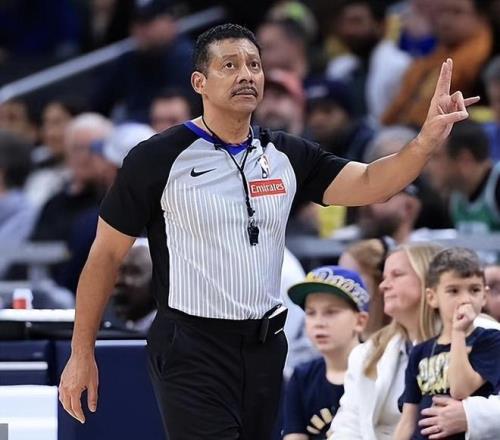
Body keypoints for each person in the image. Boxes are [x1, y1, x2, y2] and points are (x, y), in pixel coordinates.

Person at [58, 23, 475, 440]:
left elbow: (371, 184)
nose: (246, 75)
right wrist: (81, 353)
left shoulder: (286, 153)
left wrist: (425, 141)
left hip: (265, 347)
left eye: (254, 65)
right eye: (230, 65)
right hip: (191, 348)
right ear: (199, 82)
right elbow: (105, 256)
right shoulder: (157, 159)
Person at [329, 243, 442, 440]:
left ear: (429, 279)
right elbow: (348, 426)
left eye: (397, 275)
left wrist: (468, 415)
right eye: (384, 278)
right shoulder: (368, 352)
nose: (383, 286)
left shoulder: (478, 334)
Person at [395, 247, 500, 439]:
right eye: (453, 291)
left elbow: (460, 389)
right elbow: (407, 420)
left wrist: (458, 332)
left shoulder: (490, 340)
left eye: (474, 290)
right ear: (432, 297)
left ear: (484, 296)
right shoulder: (420, 351)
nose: (465, 299)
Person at [283, 266, 369, 439]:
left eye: (331, 312)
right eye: (311, 313)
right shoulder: (302, 377)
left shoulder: (378, 370)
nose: (318, 322)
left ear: (360, 321)